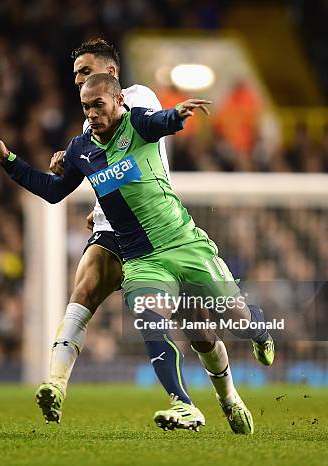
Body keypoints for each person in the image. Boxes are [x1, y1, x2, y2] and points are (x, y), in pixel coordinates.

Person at [0, 73, 274, 433]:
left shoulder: (138, 122)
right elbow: (52, 191)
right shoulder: (81, 149)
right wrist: (7, 159)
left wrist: (177, 115)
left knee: (234, 319)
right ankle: (184, 404)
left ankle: (259, 331)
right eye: (86, 107)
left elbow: (162, 122)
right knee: (151, 321)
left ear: (118, 101)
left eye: (99, 104)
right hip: (142, 259)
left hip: (183, 242)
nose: (92, 113)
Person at [47, 39, 267, 433]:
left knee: (200, 328)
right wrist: (74, 166)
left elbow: (140, 133)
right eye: (77, 74)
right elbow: (99, 169)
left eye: (85, 71)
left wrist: (174, 116)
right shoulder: (90, 121)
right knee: (95, 295)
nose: (78, 79)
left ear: (110, 74)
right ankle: (56, 384)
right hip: (114, 233)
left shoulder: (136, 98)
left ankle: (230, 396)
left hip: (162, 229)